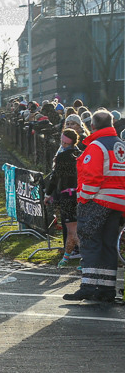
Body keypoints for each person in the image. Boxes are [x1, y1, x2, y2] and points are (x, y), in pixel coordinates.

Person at [64, 110, 125, 303]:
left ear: (92, 126)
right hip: (118, 202)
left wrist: (84, 198)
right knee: (108, 244)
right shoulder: (120, 145)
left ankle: (89, 286)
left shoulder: (97, 146)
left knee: (90, 242)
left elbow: (92, 176)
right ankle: (106, 289)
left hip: (97, 201)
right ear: (112, 124)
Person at [45, 128, 82, 268]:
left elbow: (55, 177)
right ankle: (66, 258)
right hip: (80, 195)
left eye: (63, 142)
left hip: (67, 196)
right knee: (73, 229)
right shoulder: (80, 154)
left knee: (72, 230)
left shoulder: (62, 157)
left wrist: (48, 194)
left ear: (66, 142)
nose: (62, 144)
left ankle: (86, 259)